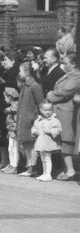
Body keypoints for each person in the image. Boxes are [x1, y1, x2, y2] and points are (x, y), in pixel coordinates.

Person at [46, 51, 80, 180]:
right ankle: (68, 168)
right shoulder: (69, 75)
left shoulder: (76, 76)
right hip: (61, 111)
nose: (63, 65)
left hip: (67, 112)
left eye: (66, 63)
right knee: (63, 141)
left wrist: (50, 95)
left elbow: (65, 91)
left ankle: (71, 170)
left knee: (66, 141)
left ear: (74, 64)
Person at [16, 62, 43, 177]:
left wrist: (36, 118)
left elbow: (40, 103)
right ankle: (29, 166)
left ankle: (32, 168)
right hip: (24, 119)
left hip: (30, 120)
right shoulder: (25, 85)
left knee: (30, 145)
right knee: (27, 144)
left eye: (20, 71)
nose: (19, 73)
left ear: (27, 72)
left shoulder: (34, 86)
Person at [31, 101, 62, 182]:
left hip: (48, 142)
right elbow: (34, 127)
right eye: (45, 110)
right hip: (41, 142)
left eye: (49, 110)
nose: (48, 112)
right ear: (41, 110)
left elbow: (58, 129)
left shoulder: (54, 120)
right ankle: (44, 173)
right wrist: (35, 132)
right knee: (42, 158)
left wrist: (49, 131)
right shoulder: (39, 120)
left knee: (47, 158)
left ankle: (48, 174)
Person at [0, 88, 20, 174]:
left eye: (5, 97)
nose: (4, 99)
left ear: (10, 97)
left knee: (14, 148)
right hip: (10, 130)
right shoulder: (12, 106)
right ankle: (11, 164)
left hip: (14, 130)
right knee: (10, 148)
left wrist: (9, 110)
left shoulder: (15, 106)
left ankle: (14, 166)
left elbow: (14, 112)